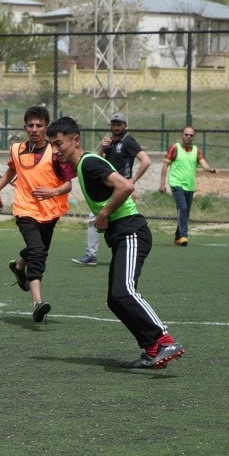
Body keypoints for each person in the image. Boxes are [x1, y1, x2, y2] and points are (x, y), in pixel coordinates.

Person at [47, 116, 185, 370]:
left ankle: (165, 340)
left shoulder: (89, 163)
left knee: (125, 292)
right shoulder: (83, 165)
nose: (55, 150)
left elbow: (125, 186)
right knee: (116, 299)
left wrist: (103, 214)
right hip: (121, 235)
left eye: (58, 144)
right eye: (51, 145)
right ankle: (151, 350)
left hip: (131, 231)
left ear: (75, 141)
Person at [0, 106, 76, 324]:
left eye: (39, 125)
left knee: (38, 248)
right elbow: (12, 169)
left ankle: (19, 265)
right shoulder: (17, 149)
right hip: (25, 209)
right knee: (38, 252)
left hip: (50, 212)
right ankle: (38, 303)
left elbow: (68, 185)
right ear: (25, 128)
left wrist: (52, 192)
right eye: (30, 125)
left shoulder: (55, 153)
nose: (34, 129)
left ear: (46, 128)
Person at [73, 112, 151, 266]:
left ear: (125, 126)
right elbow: (97, 160)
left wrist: (132, 180)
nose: (116, 127)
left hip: (120, 190)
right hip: (107, 189)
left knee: (117, 221)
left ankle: (111, 253)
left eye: (119, 124)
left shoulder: (128, 141)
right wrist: (102, 148)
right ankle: (95, 254)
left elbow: (146, 161)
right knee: (99, 220)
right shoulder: (110, 143)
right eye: (114, 124)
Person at [158, 125, 217, 246]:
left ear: (193, 137)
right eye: (186, 134)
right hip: (176, 183)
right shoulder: (175, 148)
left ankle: (177, 237)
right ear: (182, 135)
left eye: (191, 135)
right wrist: (162, 183)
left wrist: (210, 169)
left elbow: (203, 163)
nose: (188, 137)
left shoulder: (196, 150)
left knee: (185, 212)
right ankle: (184, 236)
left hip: (189, 186)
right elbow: (165, 166)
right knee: (183, 208)